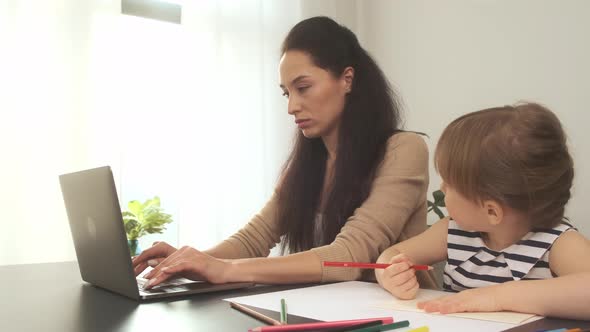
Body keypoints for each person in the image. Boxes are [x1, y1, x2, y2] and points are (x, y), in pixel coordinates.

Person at [133, 16, 436, 289]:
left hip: (397, 316)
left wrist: (223, 269)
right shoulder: (309, 162)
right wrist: (188, 261)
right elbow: (253, 239)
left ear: (347, 79)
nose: (291, 106)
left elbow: (350, 255)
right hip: (329, 312)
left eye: (303, 88)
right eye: (286, 93)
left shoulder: (403, 150)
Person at [375, 103, 590, 320]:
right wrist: (390, 274)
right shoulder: (453, 231)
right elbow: (392, 256)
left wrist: (498, 297)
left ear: (491, 212)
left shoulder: (559, 243)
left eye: (449, 184)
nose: (441, 189)